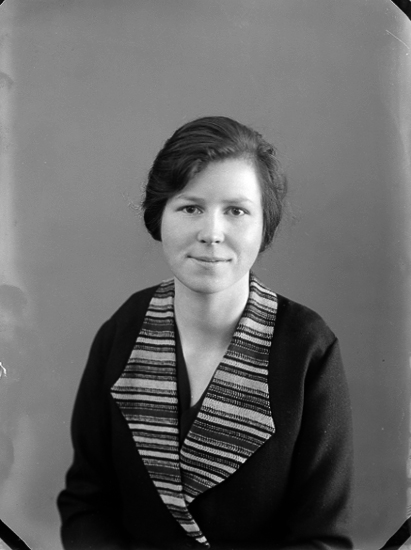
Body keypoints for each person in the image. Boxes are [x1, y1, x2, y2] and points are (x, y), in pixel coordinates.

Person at [57, 116, 354, 550]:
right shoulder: (124, 329)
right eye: (190, 208)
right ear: (159, 217)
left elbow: (321, 539)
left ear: (264, 225)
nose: (211, 233)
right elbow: (86, 504)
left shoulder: (307, 347)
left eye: (236, 211)